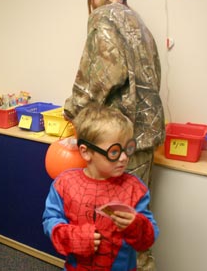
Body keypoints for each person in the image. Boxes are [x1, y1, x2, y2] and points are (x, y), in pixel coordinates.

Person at [63, 0, 165, 270]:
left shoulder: (102, 17)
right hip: (143, 140)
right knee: (137, 223)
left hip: (113, 143)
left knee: (110, 228)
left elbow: (103, 76)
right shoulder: (139, 22)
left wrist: (73, 111)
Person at [43, 103, 159, 271]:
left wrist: (136, 225)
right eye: (114, 152)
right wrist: (74, 237)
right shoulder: (64, 184)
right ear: (86, 152)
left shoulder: (135, 189)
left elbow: (148, 239)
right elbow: (50, 220)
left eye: (128, 148)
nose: (124, 157)